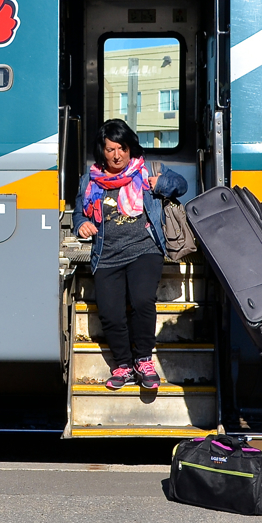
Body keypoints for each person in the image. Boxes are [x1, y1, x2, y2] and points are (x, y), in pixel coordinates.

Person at [72, 119, 188, 391]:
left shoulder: (147, 170)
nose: (117, 155)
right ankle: (123, 365)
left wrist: (161, 183)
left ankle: (144, 360)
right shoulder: (89, 180)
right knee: (111, 313)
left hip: (144, 250)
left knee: (142, 300)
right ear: (102, 150)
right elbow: (79, 212)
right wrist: (81, 224)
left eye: (122, 148)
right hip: (107, 254)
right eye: (110, 149)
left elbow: (180, 185)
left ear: (130, 148)